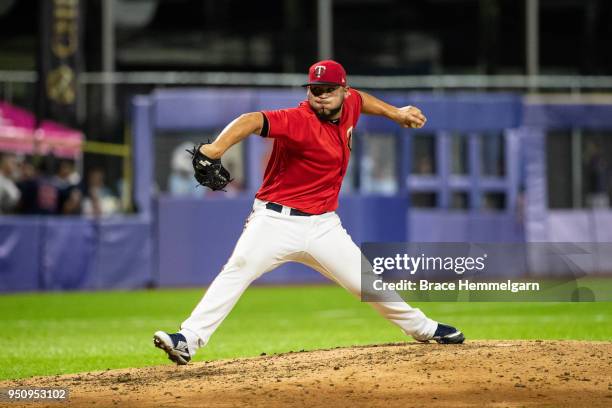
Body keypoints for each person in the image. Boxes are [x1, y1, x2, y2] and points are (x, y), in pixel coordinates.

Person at [154, 60, 464, 365]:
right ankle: (188, 339)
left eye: (329, 89)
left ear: (343, 90)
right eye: (315, 89)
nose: (321, 95)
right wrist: (214, 150)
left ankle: (424, 329)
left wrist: (396, 113)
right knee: (238, 268)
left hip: (323, 227)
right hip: (275, 221)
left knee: (366, 283)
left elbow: (362, 100)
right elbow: (250, 120)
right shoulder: (297, 119)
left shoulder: (351, 103)